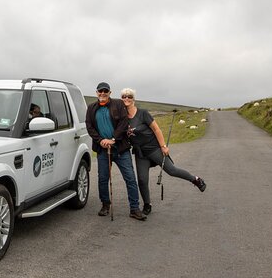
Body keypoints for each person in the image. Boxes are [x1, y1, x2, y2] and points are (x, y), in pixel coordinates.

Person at [121, 87, 207, 216]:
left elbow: (156, 129)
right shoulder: (122, 117)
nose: (126, 98)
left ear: (134, 99)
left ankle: (196, 179)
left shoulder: (143, 113)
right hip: (140, 153)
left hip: (154, 148)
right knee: (142, 180)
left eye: (129, 96)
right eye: (124, 96)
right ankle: (147, 204)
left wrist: (163, 146)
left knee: (171, 170)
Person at [85, 82, 144, 220]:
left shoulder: (118, 104)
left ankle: (134, 209)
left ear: (110, 93)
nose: (103, 93)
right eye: (100, 91)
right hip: (102, 150)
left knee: (130, 178)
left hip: (120, 149)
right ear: (96, 93)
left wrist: (113, 139)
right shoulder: (91, 108)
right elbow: (89, 127)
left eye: (105, 91)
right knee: (103, 178)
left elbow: (123, 123)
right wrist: (100, 140)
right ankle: (105, 205)